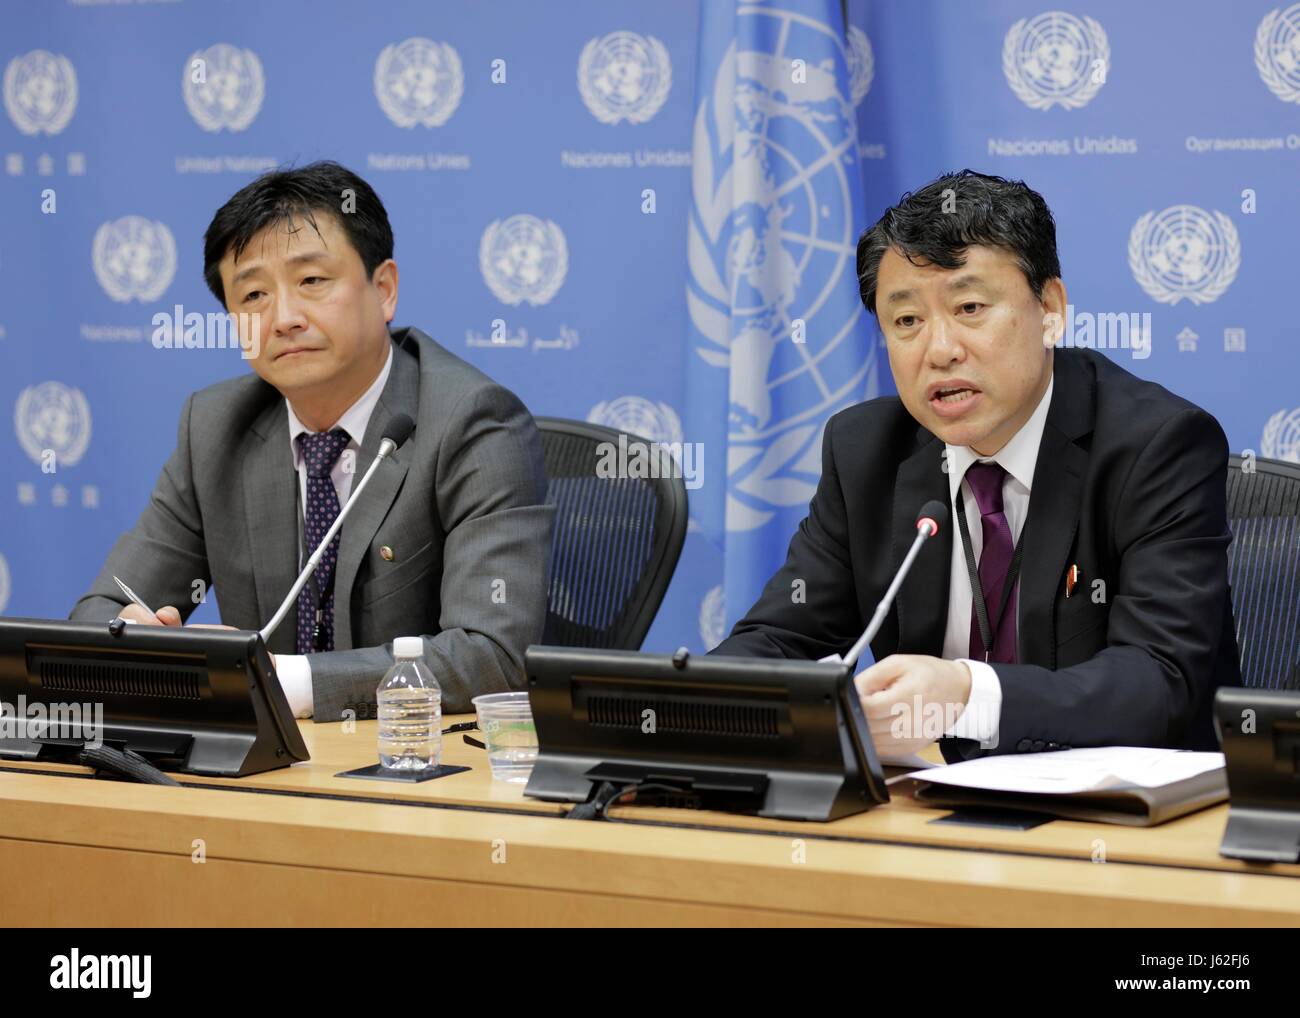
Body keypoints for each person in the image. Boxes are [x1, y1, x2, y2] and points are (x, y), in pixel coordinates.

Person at [711, 169, 1240, 761]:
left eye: (969, 307)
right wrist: (689, 709)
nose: (940, 350)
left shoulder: (1157, 446)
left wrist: (965, 696)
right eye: (906, 321)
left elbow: (1157, 683)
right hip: (932, 816)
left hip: (1125, 824)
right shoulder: (866, 451)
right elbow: (784, 637)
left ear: (1050, 309)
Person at [71, 161, 553, 721]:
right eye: (252, 295)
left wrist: (282, 680)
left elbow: (492, 656)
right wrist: (128, 636)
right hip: (265, 773)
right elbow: (98, 614)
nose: (283, 318)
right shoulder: (214, 427)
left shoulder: (472, 423)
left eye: (312, 281)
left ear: (384, 289)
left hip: (413, 779)